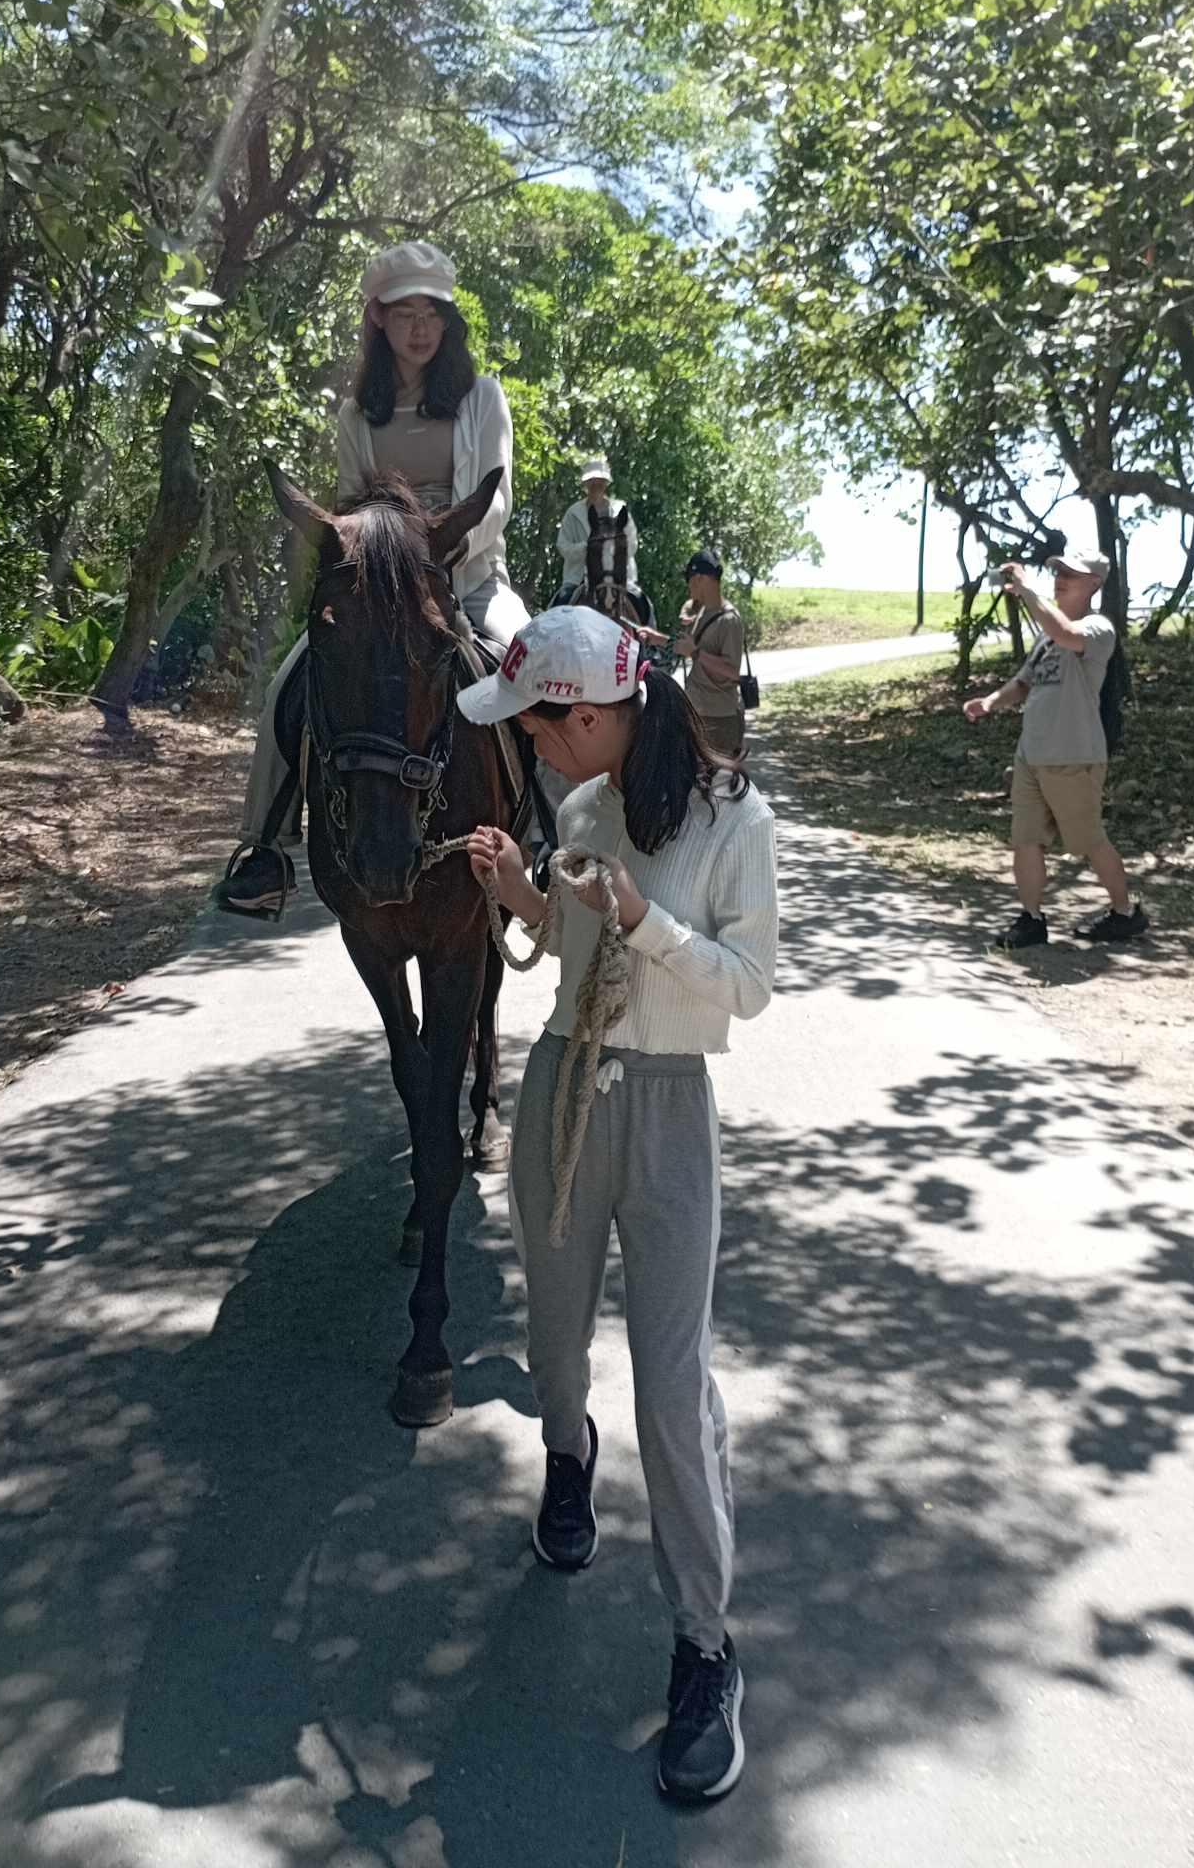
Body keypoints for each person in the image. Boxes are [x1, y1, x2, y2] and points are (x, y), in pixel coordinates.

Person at [456, 604, 778, 1803]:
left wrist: (648, 922)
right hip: (559, 1091)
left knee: (671, 1376)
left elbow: (746, 987)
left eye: (537, 729)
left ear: (589, 716)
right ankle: (564, 1451)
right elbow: (569, 940)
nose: (529, 751)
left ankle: (705, 1646)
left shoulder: (735, 817)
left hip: (667, 1109)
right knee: (551, 1333)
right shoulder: (580, 808)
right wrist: (521, 895)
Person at [216, 241, 530, 918]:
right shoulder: (358, 415)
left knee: (539, 667)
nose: (420, 328)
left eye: (433, 314)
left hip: (469, 579)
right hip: (379, 588)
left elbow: (496, 498)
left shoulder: (483, 398)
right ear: (378, 321)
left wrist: (437, 549)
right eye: (404, 313)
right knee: (284, 689)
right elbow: (352, 508)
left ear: (449, 324)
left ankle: (561, 833)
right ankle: (263, 849)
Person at [963, 548, 1148, 949]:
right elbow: (1024, 681)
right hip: (1032, 753)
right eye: (1059, 571)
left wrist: (1028, 591)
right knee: (1026, 839)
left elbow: (1068, 634)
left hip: (1073, 755)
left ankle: (1126, 914)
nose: (1061, 577)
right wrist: (992, 701)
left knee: (1088, 841)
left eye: (1072, 573)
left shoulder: (1099, 628)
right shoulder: (1046, 637)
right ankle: (1031, 920)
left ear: (1095, 584)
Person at [673, 550, 745, 761]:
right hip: (697, 714)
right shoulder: (702, 613)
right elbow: (687, 646)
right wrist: (656, 638)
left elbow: (732, 672)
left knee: (719, 790)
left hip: (719, 721)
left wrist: (695, 653)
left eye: (690, 581)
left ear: (700, 579)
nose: (689, 588)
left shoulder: (729, 620)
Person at [554, 456, 642, 608]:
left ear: (606, 483)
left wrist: (608, 553)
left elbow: (632, 544)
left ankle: (648, 630)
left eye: (599, 480)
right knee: (560, 603)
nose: (596, 484)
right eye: (592, 480)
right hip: (578, 578)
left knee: (642, 603)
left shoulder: (620, 510)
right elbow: (562, 545)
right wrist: (586, 549)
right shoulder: (572, 513)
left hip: (619, 578)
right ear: (585, 483)